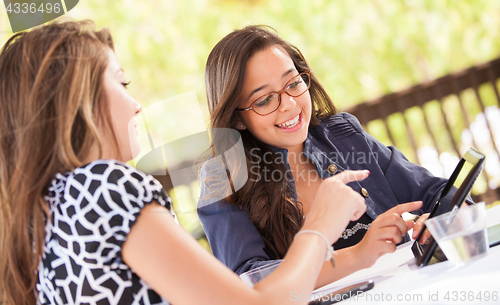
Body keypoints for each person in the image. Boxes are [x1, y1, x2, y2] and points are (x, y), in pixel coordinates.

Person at [0, 20, 368, 305]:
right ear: (76, 104)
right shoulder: (104, 187)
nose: (136, 105)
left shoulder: (45, 212)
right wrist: (319, 227)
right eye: (122, 84)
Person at [197, 25, 458, 288]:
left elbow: (435, 192)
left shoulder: (342, 135)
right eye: (264, 100)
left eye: (293, 83)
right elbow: (252, 283)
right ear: (237, 118)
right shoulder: (222, 180)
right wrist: (357, 255)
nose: (289, 104)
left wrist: (437, 222)